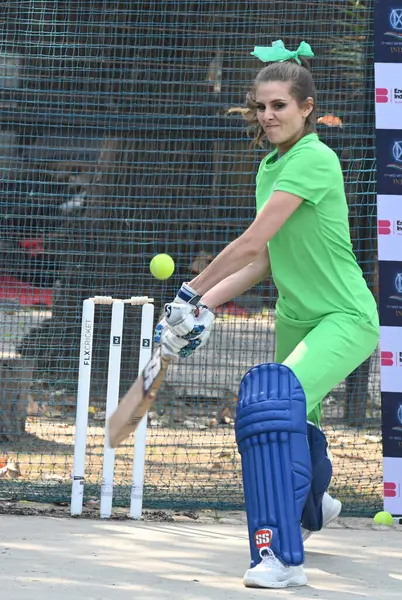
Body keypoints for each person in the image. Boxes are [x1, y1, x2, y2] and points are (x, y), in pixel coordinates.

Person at [155, 40, 379, 589]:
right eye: (261, 106)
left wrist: (189, 293)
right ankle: (315, 504)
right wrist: (200, 309)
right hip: (298, 317)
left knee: (270, 411)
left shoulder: (315, 159)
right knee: (297, 425)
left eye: (280, 105)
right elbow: (264, 260)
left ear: (306, 107)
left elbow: (253, 240)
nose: (268, 115)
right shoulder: (270, 167)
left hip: (344, 317)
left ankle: (280, 559)